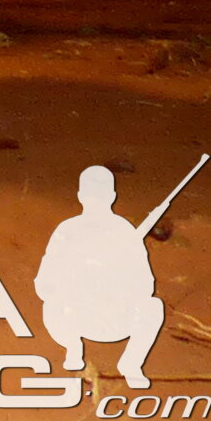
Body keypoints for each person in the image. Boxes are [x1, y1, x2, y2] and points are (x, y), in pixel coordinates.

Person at [37, 164, 165, 388]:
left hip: (115, 317)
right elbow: (44, 284)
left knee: (153, 307)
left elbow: (146, 286)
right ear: (112, 196)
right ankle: (73, 347)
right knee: (52, 304)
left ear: (80, 196)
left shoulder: (125, 233)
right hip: (76, 316)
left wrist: (115, 279)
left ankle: (131, 363)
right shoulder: (68, 231)